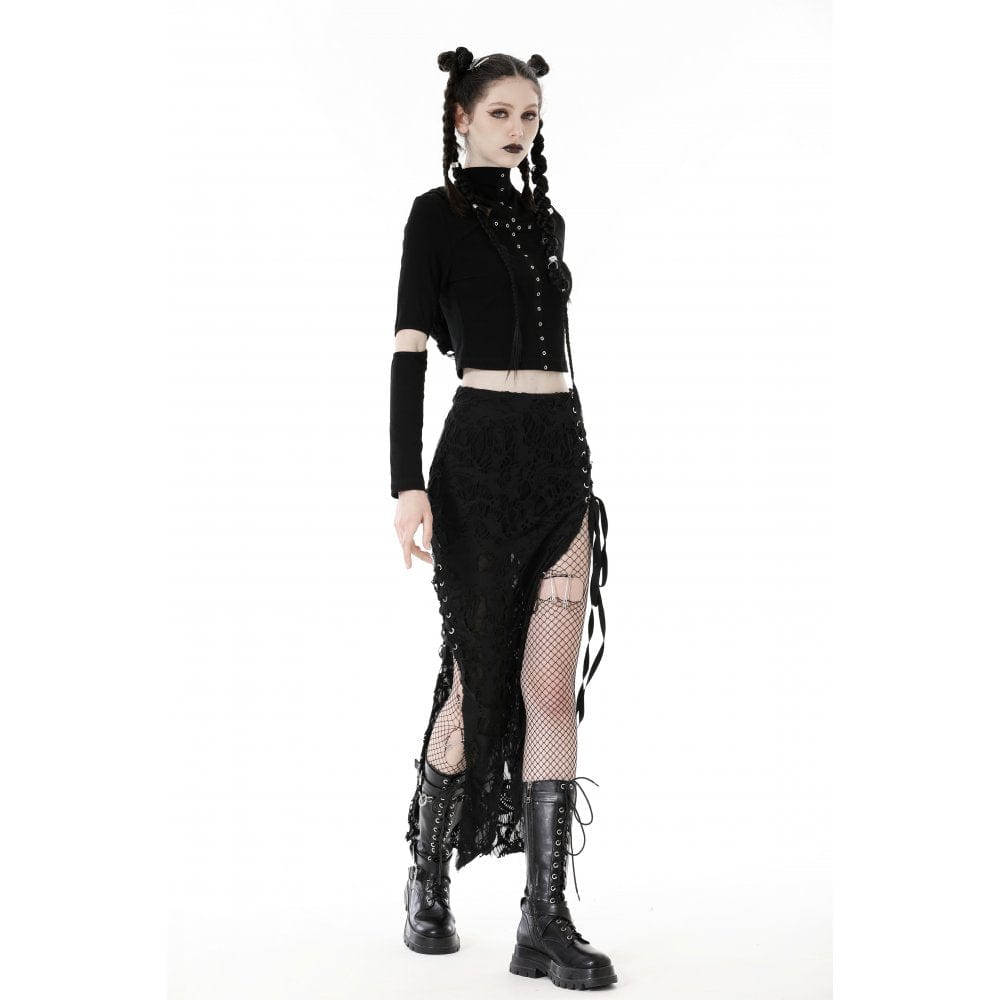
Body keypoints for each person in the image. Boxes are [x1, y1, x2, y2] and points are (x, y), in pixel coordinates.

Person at [390, 47, 616, 990]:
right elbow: (409, 351)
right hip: (477, 461)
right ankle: (428, 876)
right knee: (475, 677)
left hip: (557, 453)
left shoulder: (544, 218)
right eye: (501, 114)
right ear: (461, 118)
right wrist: (405, 484)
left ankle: (544, 918)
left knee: (550, 685)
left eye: (530, 115)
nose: (518, 129)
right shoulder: (433, 216)